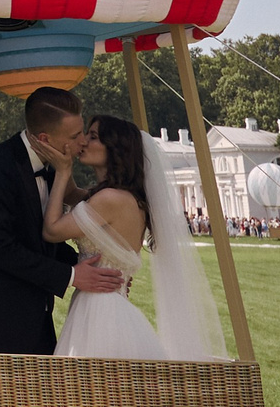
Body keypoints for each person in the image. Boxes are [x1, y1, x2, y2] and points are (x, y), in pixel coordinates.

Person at [0, 87, 126, 354]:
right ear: (45, 139)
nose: (83, 141)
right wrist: (73, 276)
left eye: (83, 131)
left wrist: (93, 266)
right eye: (75, 136)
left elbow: (39, 238)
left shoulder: (55, 166)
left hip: (33, 319)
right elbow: (1, 249)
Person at [43, 116, 228, 362]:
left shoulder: (109, 200)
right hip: (109, 305)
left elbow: (52, 231)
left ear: (116, 149)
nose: (84, 141)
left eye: (94, 137)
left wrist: (64, 170)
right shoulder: (123, 198)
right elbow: (72, 194)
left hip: (99, 312)